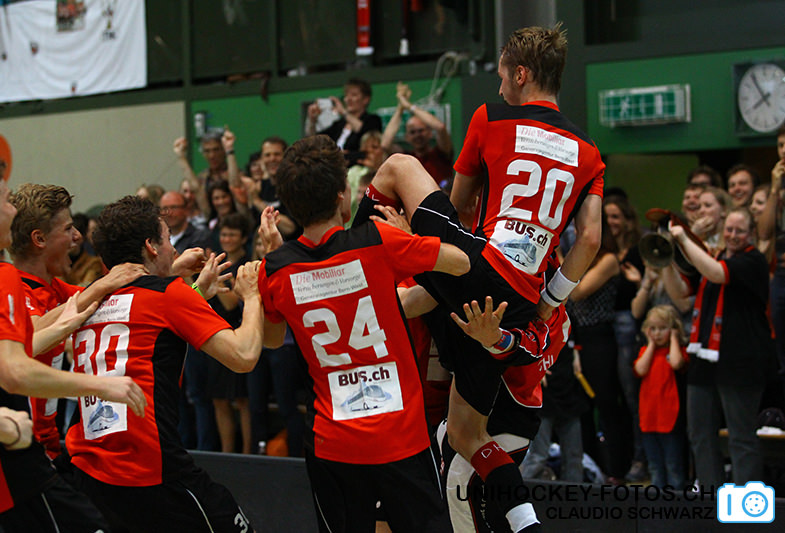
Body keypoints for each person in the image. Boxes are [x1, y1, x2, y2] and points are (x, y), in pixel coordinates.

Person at [354, 24, 604, 532]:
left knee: (397, 166)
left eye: (502, 74)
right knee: (466, 434)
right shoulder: (590, 152)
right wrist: (552, 298)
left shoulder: (491, 117)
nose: (498, 85)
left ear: (521, 74)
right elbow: (591, 239)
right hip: (518, 304)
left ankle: (345, 262)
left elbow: (461, 206)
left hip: (479, 268)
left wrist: (410, 239)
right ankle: (527, 524)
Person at [256, 135, 465, 532]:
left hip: (333, 442)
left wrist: (273, 255)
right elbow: (459, 263)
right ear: (343, 195)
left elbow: (271, 340)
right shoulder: (378, 240)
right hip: (400, 435)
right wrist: (410, 238)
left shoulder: (276, 269)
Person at [64, 195, 262, 532]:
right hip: (150, 469)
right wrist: (253, 296)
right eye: (169, 239)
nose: (173, 249)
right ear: (151, 246)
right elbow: (243, 356)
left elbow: (145, 324)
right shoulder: (168, 294)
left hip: (89, 470)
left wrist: (192, 288)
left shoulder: (89, 298)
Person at [0, 173, 147, 533]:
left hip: (49, 452)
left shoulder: (59, 291)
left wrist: (181, 280)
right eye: (68, 228)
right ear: (39, 239)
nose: (78, 236)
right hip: (21, 457)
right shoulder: (10, 282)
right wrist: (100, 385)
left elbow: (118, 299)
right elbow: (22, 352)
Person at [670, 207, 773, 489]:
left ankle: (745, 508)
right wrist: (664, 261)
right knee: (699, 434)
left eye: (740, 230)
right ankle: (709, 502)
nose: (733, 235)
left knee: (741, 437)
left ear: (751, 233)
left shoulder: (753, 260)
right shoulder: (713, 257)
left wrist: (684, 238)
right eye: (729, 229)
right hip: (704, 358)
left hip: (741, 361)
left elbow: (717, 274)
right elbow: (680, 295)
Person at [634, 305, 688, 489]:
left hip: (670, 420)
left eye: (663, 328)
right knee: (655, 466)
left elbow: (676, 363)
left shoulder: (677, 352)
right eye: (653, 328)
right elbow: (640, 369)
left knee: (673, 466)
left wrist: (674, 339)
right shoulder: (645, 351)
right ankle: (657, 502)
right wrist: (650, 344)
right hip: (649, 419)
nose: (657, 334)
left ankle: (676, 501)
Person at [380, 82, 454, 188]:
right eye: (412, 132)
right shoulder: (406, 159)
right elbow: (385, 144)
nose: (417, 135)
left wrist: (409, 106)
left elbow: (440, 127)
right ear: (407, 137)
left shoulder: (441, 154)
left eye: (421, 130)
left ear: (429, 133)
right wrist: (400, 108)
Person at [758, 125, 785, 401]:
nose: (784, 151)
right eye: (780, 145)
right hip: (781, 277)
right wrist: (775, 189)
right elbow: (764, 232)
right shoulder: (777, 188)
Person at [305, 78, 383, 165]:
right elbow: (316, 140)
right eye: (346, 95)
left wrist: (343, 111)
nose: (348, 99)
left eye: (353, 95)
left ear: (366, 99)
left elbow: (364, 131)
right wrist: (312, 120)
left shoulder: (372, 120)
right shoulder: (339, 124)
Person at [692, 186, 732, 255]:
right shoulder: (698, 238)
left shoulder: (731, 237)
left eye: (707, 205)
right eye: (699, 207)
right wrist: (693, 235)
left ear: (723, 210)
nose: (701, 211)